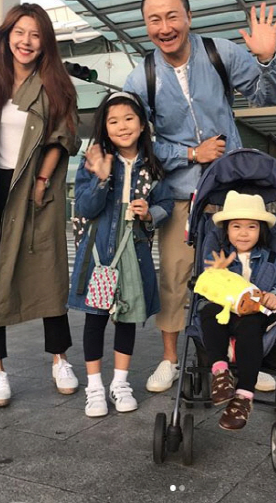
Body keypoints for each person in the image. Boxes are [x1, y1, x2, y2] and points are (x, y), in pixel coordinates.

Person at [121, 0, 276, 393]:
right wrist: (190, 154)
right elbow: (137, 141)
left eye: (172, 16)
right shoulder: (141, 78)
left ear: (189, 16)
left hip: (231, 189)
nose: (164, 28)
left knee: (244, 271)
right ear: (145, 24)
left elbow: (268, 96)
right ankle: (169, 359)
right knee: (175, 276)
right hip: (179, 194)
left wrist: (267, 58)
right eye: (154, 20)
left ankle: (247, 356)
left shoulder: (220, 53)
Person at [0, 3, 81, 408]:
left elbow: (62, 139)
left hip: (35, 190)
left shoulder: (55, 84)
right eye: (20, 32)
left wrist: (42, 180)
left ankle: (60, 360)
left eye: (36, 35)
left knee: (48, 273)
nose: (26, 41)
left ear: (45, 43)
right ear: (7, 36)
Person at [68, 92, 173, 417]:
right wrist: (101, 179)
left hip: (134, 254)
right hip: (100, 256)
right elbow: (85, 207)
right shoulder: (94, 162)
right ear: (104, 127)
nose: (122, 126)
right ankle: (95, 387)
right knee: (95, 319)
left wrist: (150, 213)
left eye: (129, 118)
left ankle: (120, 383)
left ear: (142, 125)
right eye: (113, 121)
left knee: (127, 318)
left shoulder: (153, 167)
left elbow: (166, 204)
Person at [198, 191, 276, 430]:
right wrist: (215, 272)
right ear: (227, 229)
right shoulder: (219, 256)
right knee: (208, 312)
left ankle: (244, 396)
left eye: (251, 226)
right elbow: (206, 286)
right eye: (236, 226)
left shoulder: (272, 259)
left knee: (250, 324)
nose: (243, 233)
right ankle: (221, 373)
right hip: (224, 311)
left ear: (261, 230)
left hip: (256, 315)